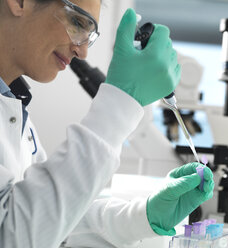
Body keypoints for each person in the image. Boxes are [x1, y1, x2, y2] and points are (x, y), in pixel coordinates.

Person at [0, 0, 214, 247]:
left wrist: (142, 217)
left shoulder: (15, 109)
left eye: (89, 35)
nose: (82, 51)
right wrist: (119, 104)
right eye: (77, 22)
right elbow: (13, 237)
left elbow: (53, 223)